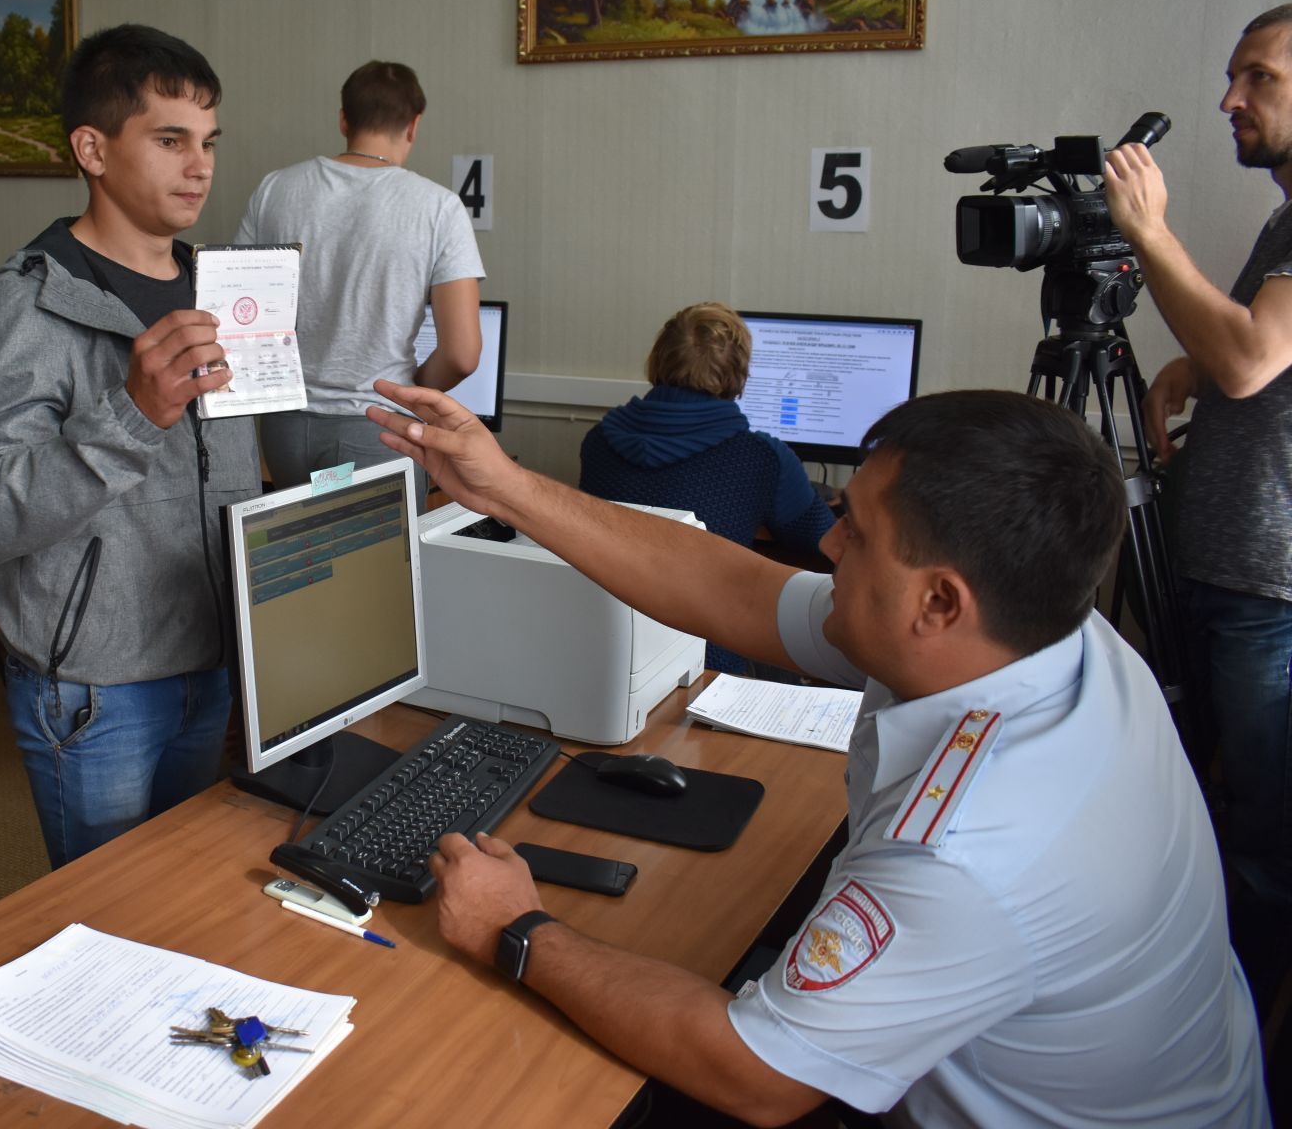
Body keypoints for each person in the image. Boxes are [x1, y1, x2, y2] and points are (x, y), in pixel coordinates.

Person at [365, 382, 1268, 1126]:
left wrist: (516, 931)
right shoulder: (1047, 630)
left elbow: (759, 1076)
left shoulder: (968, 849)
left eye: (857, 534)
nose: (827, 540)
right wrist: (507, 485)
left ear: (940, 603)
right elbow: (733, 585)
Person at [0, 25, 261, 869]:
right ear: (92, 148)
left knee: (187, 891)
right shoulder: (30, 303)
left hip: (212, 655)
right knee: (104, 913)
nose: (199, 166)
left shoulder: (220, 290)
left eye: (207, 142)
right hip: (97, 683)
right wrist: (130, 413)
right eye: (170, 141)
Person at [1103, 3, 1292, 1003]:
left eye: (1258, 76)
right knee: (1206, 814)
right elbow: (1253, 349)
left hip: (1273, 594)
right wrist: (1190, 365)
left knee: (1260, 848)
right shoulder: (1282, 216)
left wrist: (1147, 230)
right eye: (1234, 76)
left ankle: (1236, 1047)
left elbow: (1254, 356)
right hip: (1227, 572)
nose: (1231, 98)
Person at [234, 60, 481, 493]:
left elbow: (238, 310)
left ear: (344, 119)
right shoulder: (437, 207)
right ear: (414, 125)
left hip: (285, 428)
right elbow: (462, 355)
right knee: (377, 561)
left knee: (303, 554)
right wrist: (411, 393)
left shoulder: (274, 189)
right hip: (378, 427)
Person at [579, 302, 833, 674]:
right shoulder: (760, 458)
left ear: (657, 361)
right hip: (706, 664)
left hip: (606, 653)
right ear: (739, 372)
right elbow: (824, 541)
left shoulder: (599, 441)